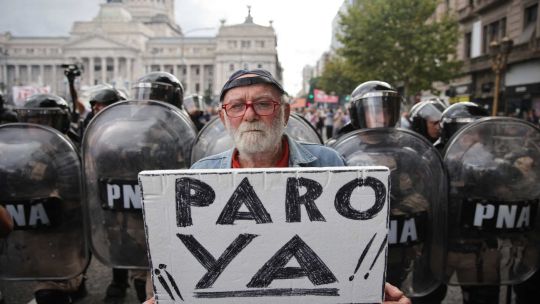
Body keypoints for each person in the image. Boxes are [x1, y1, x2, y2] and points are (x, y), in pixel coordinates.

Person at [188, 69, 410, 304]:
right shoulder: (201, 175)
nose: (250, 115)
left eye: (263, 104)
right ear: (223, 118)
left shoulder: (328, 163)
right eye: (236, 106)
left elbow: (348, 243)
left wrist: (368, 286)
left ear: (284, 113)